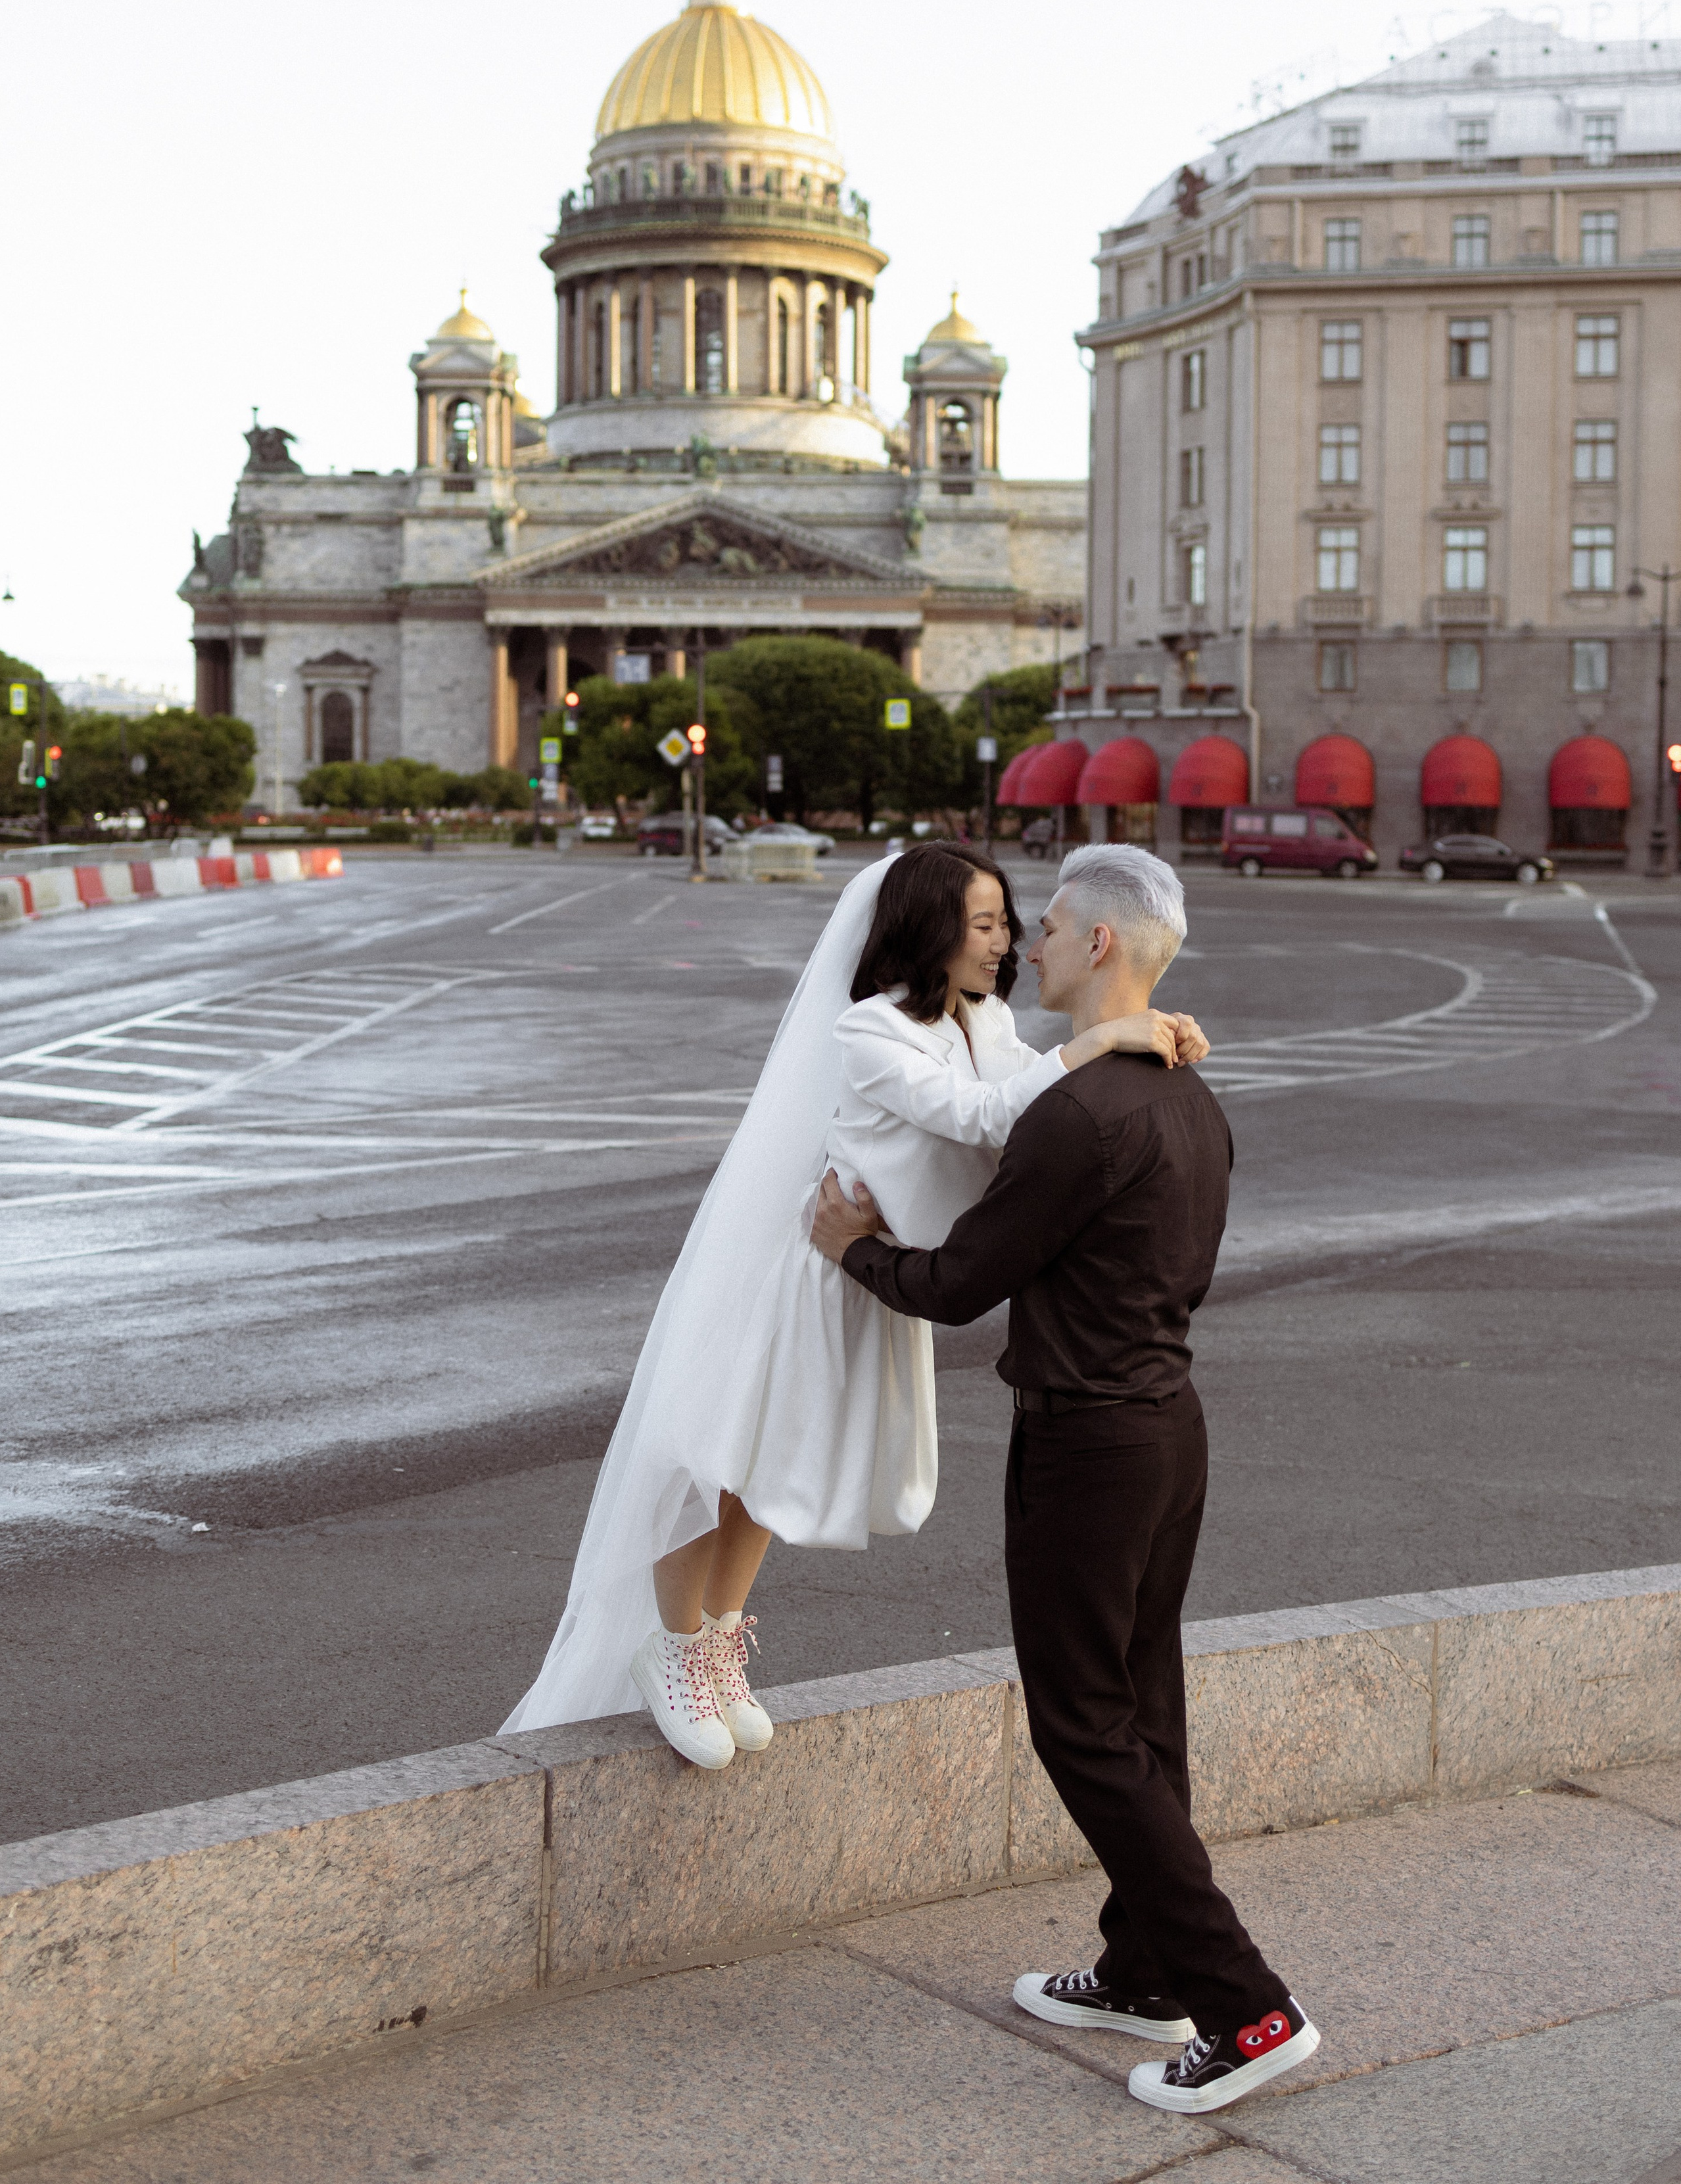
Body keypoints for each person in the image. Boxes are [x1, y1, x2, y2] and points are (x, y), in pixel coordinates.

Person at [502, 842, 1208, 1770]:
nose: (1006, 942)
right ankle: (672, 1647)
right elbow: (982, 1116)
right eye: (986, 924)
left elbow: (1031, 1094)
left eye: (1008, 923)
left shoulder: (983, 1020)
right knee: (716, 1451)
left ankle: (718, 1637)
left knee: (774, 1467)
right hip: (801, 1270)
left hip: (863, 1276)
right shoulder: (870, 1028)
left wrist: (1145, 1033)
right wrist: (1103, 1040)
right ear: (930, 929)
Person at [812, 843, 1319, 2117]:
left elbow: (957, 1282)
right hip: (1165, 1430)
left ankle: (1245, 2007)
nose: (1024, 946)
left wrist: (853, 1247)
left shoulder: (1080, 1113)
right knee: (1141, 1708)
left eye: (1042, 926)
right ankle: (1143, 1970)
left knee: (1083, 1726)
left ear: (1098, 944)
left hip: (1087, 1445)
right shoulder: (1192, 1099)